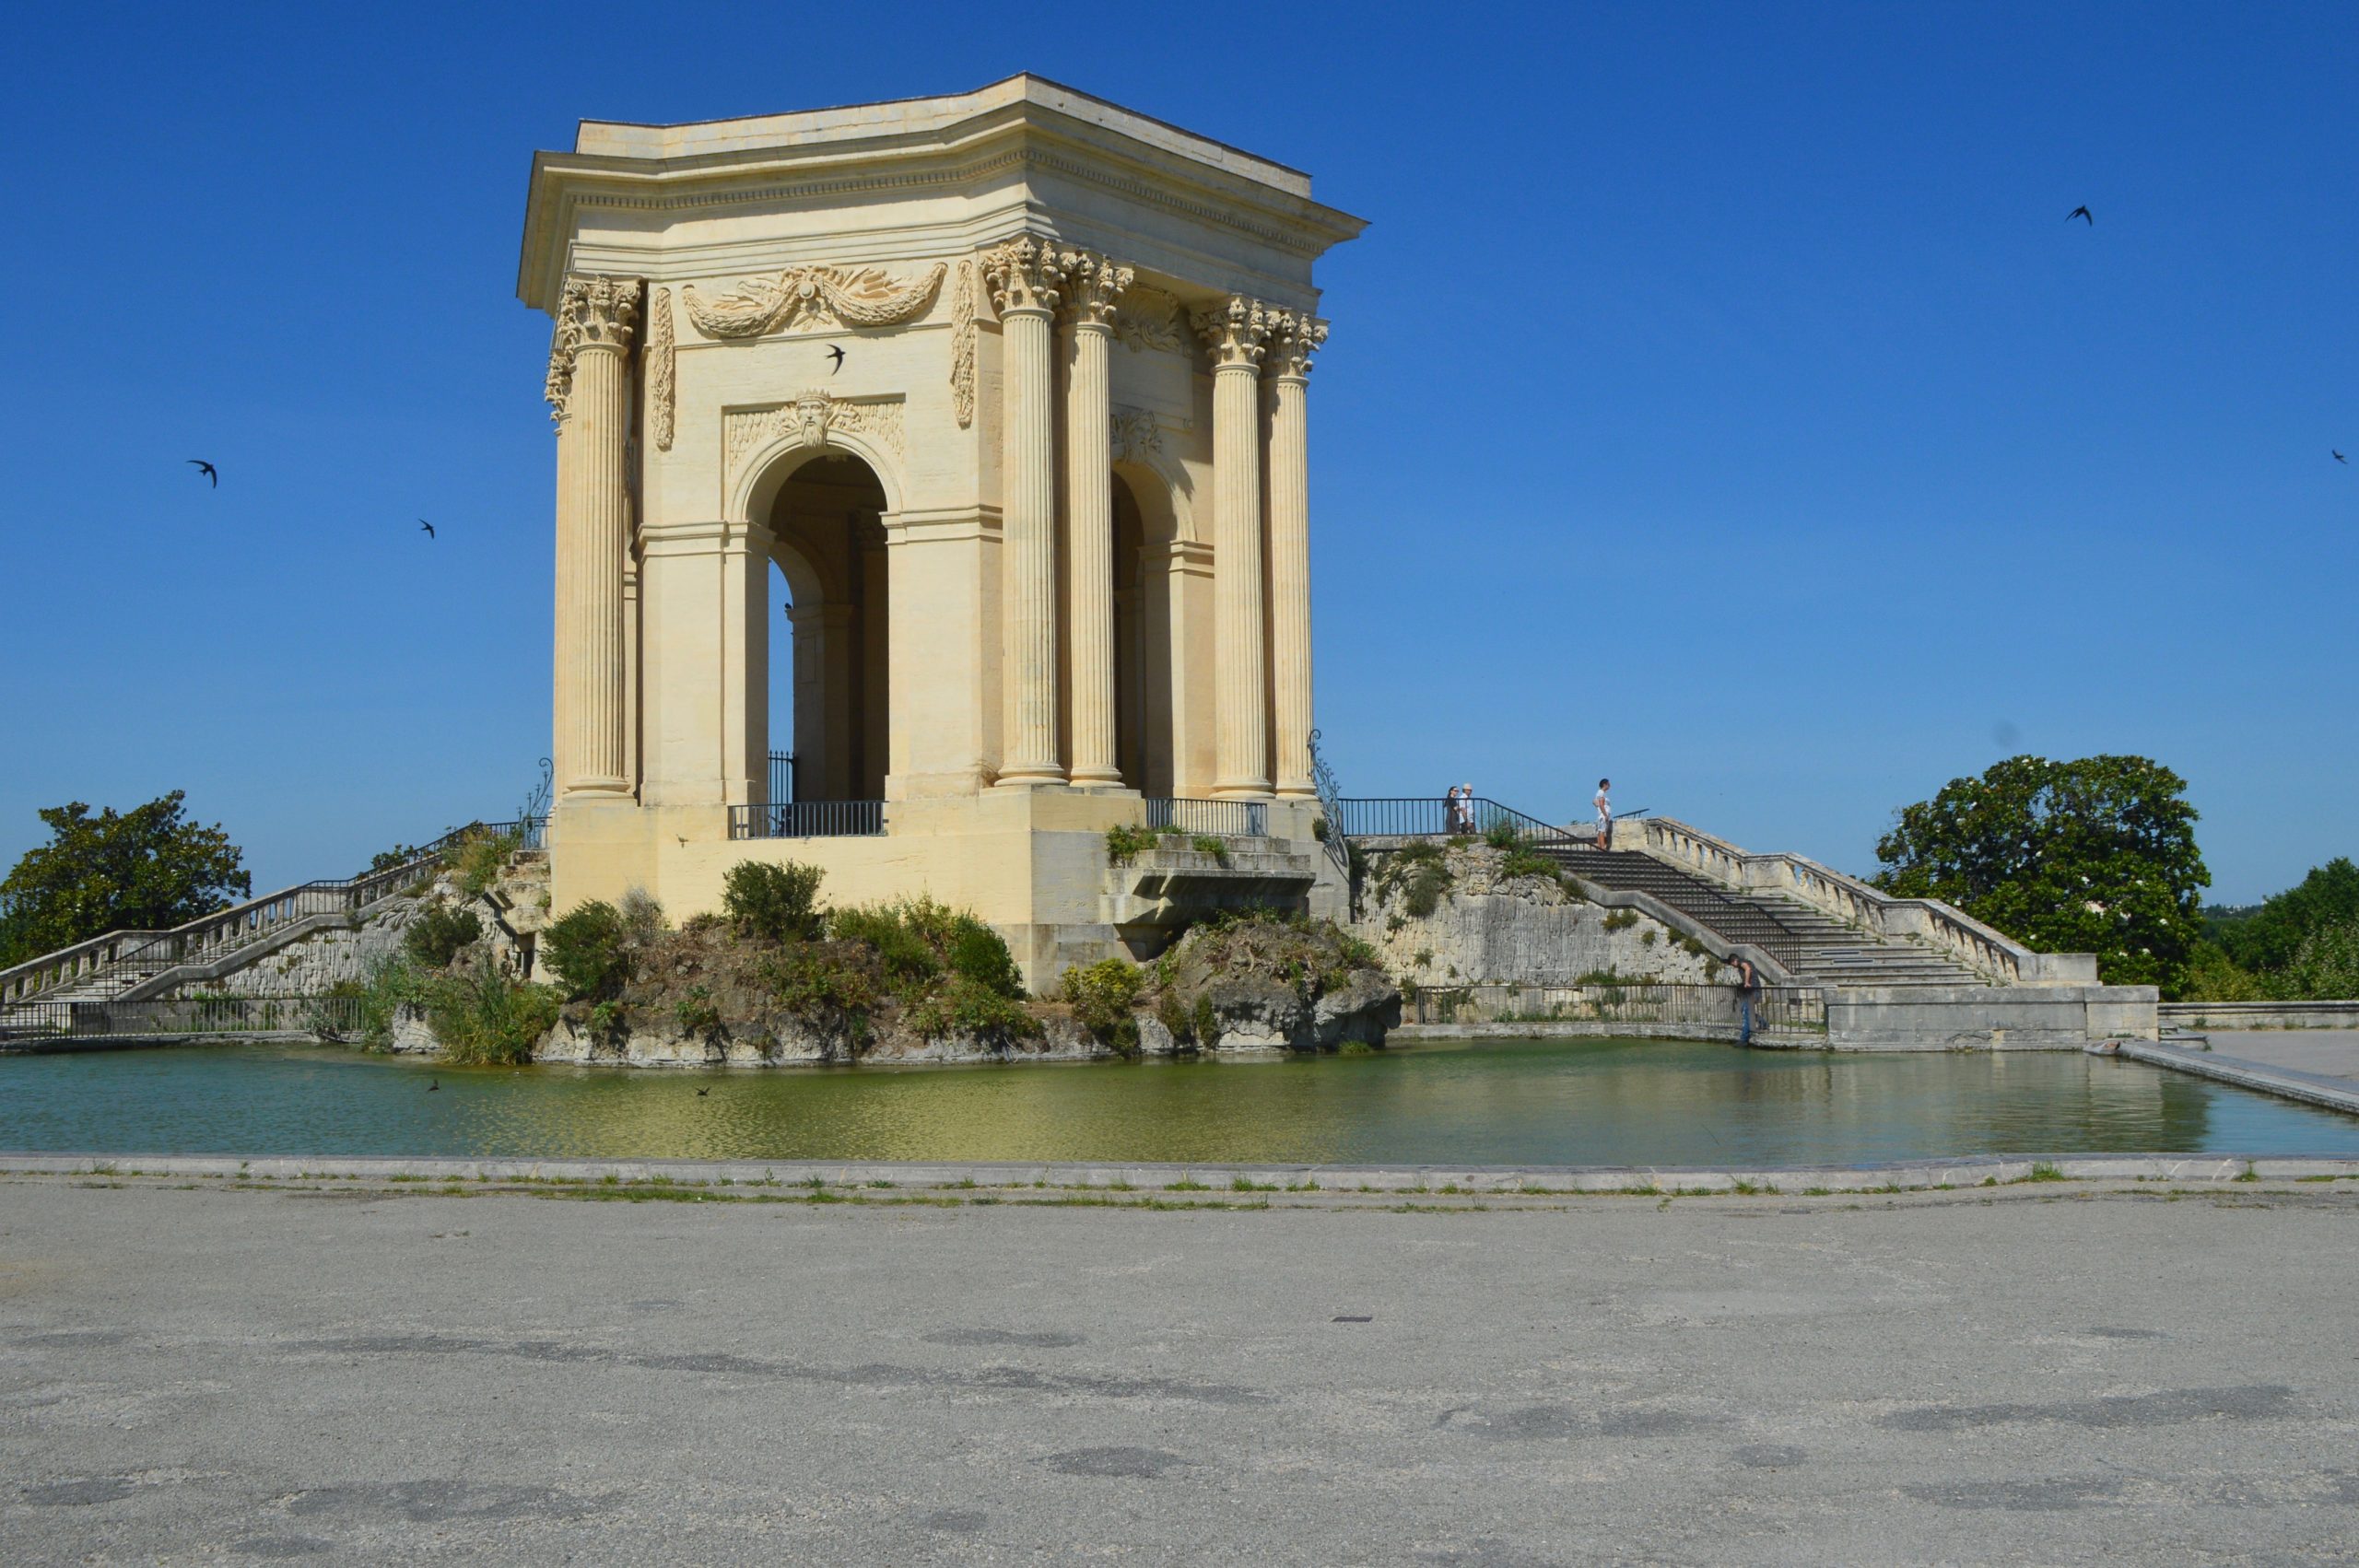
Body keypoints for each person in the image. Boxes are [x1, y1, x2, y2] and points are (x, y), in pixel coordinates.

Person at [1731, 954, 1759, 1045]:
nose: (1733, 966)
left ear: (1735, 961)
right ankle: (1764, 1023)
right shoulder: (1745, 962)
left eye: (1732, 963)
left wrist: (1746, 982)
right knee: (1746, 1009)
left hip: (1752, 989)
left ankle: (1744, 1039)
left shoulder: (1742, 963)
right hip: (1753, 989)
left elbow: (1747, 969)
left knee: (1746, 1010)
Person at [1593, 778, 1613, 850]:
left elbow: (1595, 802)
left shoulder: (1602, 793)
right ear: (1605, 784)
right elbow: (1601, 804)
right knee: (1602, 830)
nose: (1609, 785)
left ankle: (1600, 846)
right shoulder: (1601, 793)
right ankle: (1602, 847)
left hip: (1603, 814)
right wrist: (1605, 815)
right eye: (1608, 784)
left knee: (1601, 830)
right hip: (1603, 815)